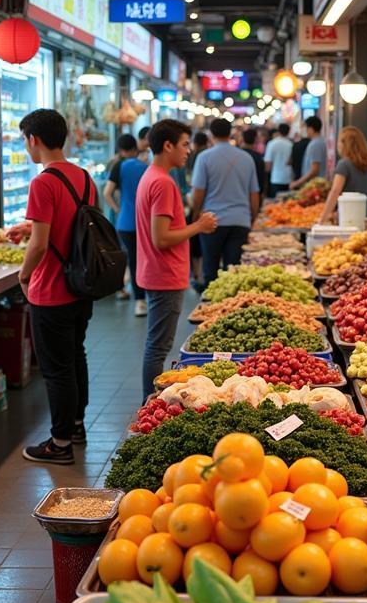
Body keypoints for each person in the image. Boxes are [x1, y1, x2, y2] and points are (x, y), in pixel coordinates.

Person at [16, 109, 95, 465]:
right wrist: (28, 229)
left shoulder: (43, 182)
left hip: (50, 291)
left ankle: (60, 443)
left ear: (34, 139)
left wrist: (23, 273)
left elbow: (41, 244)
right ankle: (76, 426)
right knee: (75, 356)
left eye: (25, 140)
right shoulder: (84, 177)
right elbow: (72, 226)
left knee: (56, 369)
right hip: (81, 285)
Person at [136, 119, 217, 399]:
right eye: (184, 145)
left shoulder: (150, 177)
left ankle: (150, 400)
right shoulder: (163, 183)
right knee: (158, 347)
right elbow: (161, 237)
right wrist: (199, 226)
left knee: (155, 344)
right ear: (167, 145)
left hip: (155, 271)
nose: (188, 151)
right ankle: (150, 402)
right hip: (164, 274)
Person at [191, 118, 260, 285]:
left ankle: (210, 307)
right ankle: (231, 307)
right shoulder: (246, 158)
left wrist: (195, 215)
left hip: (211, 221)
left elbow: (198, 192)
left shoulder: (204, 157)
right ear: (230, 133)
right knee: (234, 271)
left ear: (211, 134)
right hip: (240, 220)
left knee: (211, 268)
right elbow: (254, 194)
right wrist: (252, 218)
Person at [104, 133, 149, 316]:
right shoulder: (146, 167)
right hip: (146, 222)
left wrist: (117, 209)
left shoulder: (118, 167)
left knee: (132, 259)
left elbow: (107, 193)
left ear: (121, 150)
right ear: (135, 148)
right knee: (145, 259)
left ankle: (138, 300)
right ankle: (146, 296)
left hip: (126, 222)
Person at [318, 126, 367, 224]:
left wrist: (322, 219)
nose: (337, 145)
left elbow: (335, 191)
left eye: (339, 142)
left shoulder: (344, 164)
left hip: (348, 220)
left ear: (344, 144)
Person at [186, 132, 210, 292]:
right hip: (205, 210)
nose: (187, 150)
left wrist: (196, 211)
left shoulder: (199, 157)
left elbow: (197, 188)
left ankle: (198, 274)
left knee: (199, 246)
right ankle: (199, 273)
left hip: (201, 208)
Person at [289, 116, 327, 190]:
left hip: (314, 187)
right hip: (314, 185)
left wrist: (297, 182)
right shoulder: (319, 142)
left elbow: (314, 170)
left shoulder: (315, 144)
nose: (305, 131)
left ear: (311, 129)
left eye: (306, 128)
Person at [264, 124, 294, 196]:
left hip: (276, 177)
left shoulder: (272, 144)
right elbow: (292, 161)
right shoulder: (291, 144)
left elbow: (268, 165)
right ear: (289, 131)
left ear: (278, 131)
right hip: (289, 178)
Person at [240, 127, 267, 197]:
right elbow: (261, 179)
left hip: (239, 193)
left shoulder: (237, 155)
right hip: (254, 194)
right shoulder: (258, 157)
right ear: (256, 139)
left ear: (242, 139)